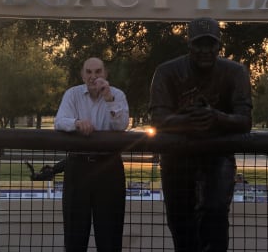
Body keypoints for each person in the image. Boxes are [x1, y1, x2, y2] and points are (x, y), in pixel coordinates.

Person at [149, 17, 252, 252]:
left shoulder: (235, 72)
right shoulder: (166, 71)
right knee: (181, 224)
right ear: (189, 44)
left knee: (215, 216)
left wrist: (217, 117)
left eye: (210, 44)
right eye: (199, 44)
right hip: (176, 158)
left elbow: (245, 120)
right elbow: (157, 119)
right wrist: (188, 120)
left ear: (219, 45)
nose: (205, 51)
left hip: (218, 156)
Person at [54, 57, 130, 252]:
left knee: (110, 234)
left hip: (109, 168)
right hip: (78, 168)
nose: (93, 76)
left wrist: (109, 99)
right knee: (74, 232)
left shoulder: (117, 95)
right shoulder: (72, 94)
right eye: (89, 72)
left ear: (105, 74)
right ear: (82, 74)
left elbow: (121, 125)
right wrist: (77, 123)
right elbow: (60, 121)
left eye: (98, 72)